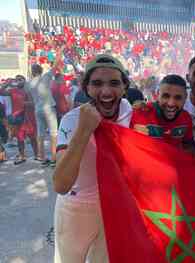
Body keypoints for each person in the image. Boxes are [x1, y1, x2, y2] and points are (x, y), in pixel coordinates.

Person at [53, 54, 132, 263]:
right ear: (86, 88)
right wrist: (84, 130)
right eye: (97, 83)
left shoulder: (131, 111)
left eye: (114, 83)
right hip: (75, 208)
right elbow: (60, 184)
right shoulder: (72, 120)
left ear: (125, 87)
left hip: (113, 206)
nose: (106, 92)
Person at [131, 74, 195, 150]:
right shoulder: (140, 112)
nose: (171, 103)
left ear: (185, 98)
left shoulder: (186, 118)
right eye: (166, 96)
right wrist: (132, 134)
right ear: (158, 95)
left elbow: (188, 145)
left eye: (178, 97)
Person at [0, 75, 38, 164]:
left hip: (28, 118)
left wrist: (25, 103)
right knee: (20, 138)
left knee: (32, 137)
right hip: (17, 118)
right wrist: (7, 84)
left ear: (24, 81)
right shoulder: (12, 91)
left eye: (20, 79)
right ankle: (22, 155)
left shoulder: (29, 90)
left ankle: (37, 155)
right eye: (17, 80)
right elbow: (1, 91)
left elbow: (34, 103)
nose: (18, 81)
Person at [27, 64, 58, 167]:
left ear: (32, 71)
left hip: (38, 109)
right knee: (53, 134)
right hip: (48, 108)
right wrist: (60, 51)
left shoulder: (29, 83)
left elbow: (30, 98)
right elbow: (55, 66)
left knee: (40, 134)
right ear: (40, 70)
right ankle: (54, 159)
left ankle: (43, 159)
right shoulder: (45, 77)